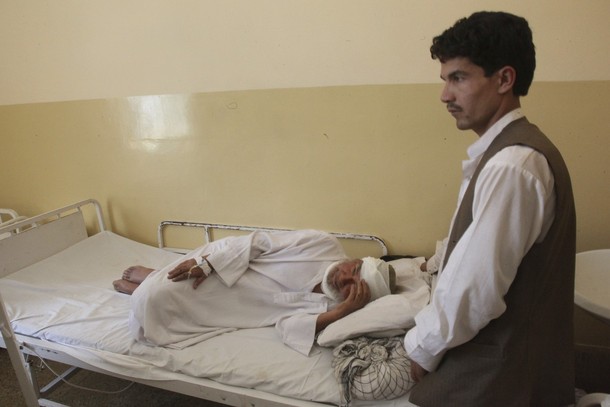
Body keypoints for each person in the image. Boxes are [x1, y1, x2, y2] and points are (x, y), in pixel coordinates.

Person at [403, 11, 576, 406]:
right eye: (445, 80)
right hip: (507, 356)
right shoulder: (510, 153)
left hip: (498, 370)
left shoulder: (512, 165)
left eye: (458, 78)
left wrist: (422, 347)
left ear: (504, 79)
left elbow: (475, 289)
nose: (445, 95)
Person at [113, 229, 396, 356]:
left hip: (233, 307)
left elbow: (288, 329)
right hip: (224, 266)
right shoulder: (323, 245)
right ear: (355, 259)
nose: (344, 277)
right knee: (162, 290)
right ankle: (152, 278)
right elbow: (258, 242)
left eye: (352, 286)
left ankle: (145, 284)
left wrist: (342, 311)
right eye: (353, 269)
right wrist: (209, 264)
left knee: (152, 302)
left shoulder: (332, 306)